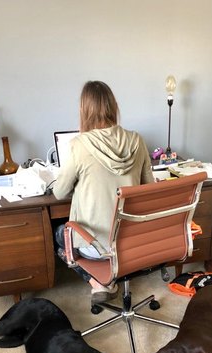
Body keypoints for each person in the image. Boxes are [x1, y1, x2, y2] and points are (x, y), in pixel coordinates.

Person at [53, 80, 154, 304]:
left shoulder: (79, 145)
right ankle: (107, 281)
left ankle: (98, 283)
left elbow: (60, 192)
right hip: (133, 242)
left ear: (84, 110)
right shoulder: (137, 140)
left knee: (58, 233)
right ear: (113, 106)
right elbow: (149, 188)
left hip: (96, 247)